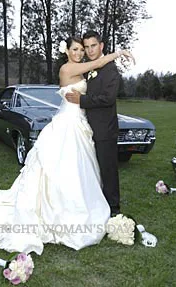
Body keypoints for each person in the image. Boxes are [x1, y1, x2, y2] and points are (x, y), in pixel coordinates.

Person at [0, 36, 134, 258]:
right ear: (67, 52)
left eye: (82, 49)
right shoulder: (68, 69)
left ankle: (92, 202)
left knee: (78, 167)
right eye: (76, 49)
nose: (80, 53)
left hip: (81, 123)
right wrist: (120, 52)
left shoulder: (82, 70)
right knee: (65, 166)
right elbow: (96, 64)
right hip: (68, 123)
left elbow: (96, 80)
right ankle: (65, 208)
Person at [66, 31, 131, 216]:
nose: (89, 50)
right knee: (91, 169)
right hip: (87, 128)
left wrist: (82, 100)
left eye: (93, 45)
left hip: (104, 130)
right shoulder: (87, 67)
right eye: (86, 47)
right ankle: (96, 204)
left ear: (101, 46)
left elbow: (108, 98)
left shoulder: (110, 69)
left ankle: (113, 209)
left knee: (108, 170)